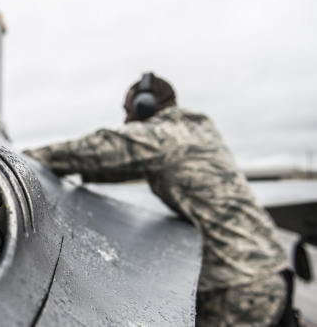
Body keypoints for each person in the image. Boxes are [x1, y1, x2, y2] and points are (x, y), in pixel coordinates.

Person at [24, 73, 292, 326]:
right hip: (266, 269)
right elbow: (116, 166)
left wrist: (24, 158)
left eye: (128, 111)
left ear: (145, 107)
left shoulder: (165, 136)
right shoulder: (194, 129)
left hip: (240, 285)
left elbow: (97, 150)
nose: (126, 121)